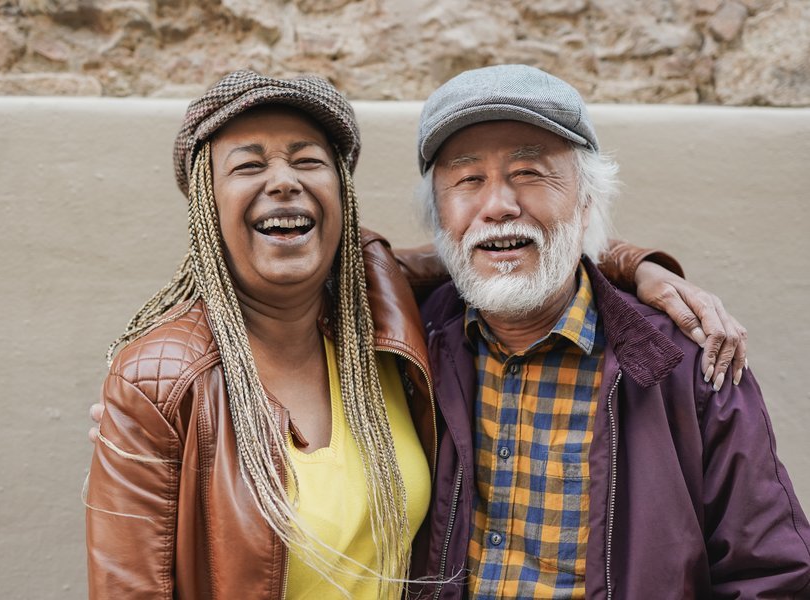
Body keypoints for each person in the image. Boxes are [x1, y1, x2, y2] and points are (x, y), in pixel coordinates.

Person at [85, 70, 748, 599]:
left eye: (308, 161)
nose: (283, 182)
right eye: (248, 165)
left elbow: (494, 247)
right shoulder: (164, 377)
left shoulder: (379, 307)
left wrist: (639, 268)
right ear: (207, 202)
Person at [407, 64, 810, 599]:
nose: (499, 205)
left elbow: (772, 576)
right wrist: (639, 263)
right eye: (467, 179)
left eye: (530, 172)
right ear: (439, 214)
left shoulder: (686, 364)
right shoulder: (405, 343)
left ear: (587, 200)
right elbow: (319, 252)